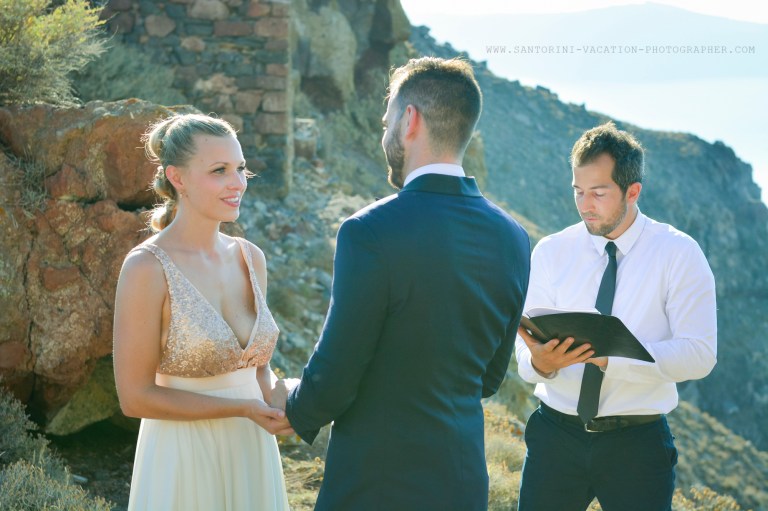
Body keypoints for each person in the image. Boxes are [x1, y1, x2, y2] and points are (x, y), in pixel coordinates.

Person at [270, 57, 531, 510]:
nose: (384, 133)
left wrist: (294, 406)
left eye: (386, 120)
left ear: (410, 120)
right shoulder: (514, 237)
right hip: (462, 482)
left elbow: (338, 370)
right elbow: (489, 378)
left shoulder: (370, 231)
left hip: (376, 482)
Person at [515, 121, 717, 511]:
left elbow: (700, 354)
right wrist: (538, 363)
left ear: (633, 191)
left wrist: (612, 358)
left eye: (598, 193)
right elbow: (524, 351)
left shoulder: (679, 253)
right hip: (554, 437)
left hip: (636, 447)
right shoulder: (550, 251)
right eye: (578, 191)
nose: (584, 205)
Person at [113, 113, 291, 511]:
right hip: (184, 458)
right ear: (177, 178)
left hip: (252, 451)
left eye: (241, 168)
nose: (238, 183)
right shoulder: (147, 267)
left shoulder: (250, 258)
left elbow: (258, 369)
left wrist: (282, 398)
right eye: (219, 171)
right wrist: (242, 408)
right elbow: (135, 397)